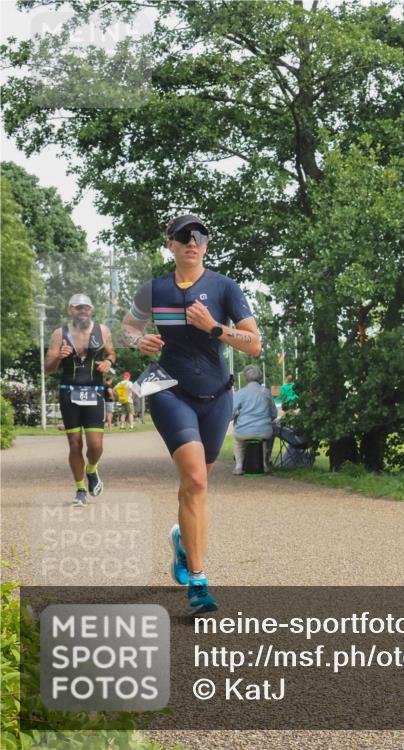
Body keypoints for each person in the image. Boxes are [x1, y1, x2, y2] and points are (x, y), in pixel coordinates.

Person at [121, 214, 260, 615]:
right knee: (195, 481)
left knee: (198, 485)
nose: (192, 241)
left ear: (206, 244)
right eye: (183, 235)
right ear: (170, 243)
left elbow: (253, 344)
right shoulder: (154, 289)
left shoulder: (224, 288)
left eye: (199, 235)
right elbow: (129, 327)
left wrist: (216, 328)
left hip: (216, 394)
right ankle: (198, 583)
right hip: (166, 386)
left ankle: (184, 540)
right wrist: (139, 340)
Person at [44, 293, 116, 506]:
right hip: (69, 392)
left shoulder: (102, 331)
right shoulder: (60, 334)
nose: (82, 311)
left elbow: (111, 354)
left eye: (86, 307)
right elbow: (48, 369)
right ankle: (80, 489)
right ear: (70, 310)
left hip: (94, 392)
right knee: (75, 444)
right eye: (78, 308)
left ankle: (91, 470)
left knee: (95, 445)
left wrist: (108, 363)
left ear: (91, 310)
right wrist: (59, 356)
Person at [232, 365, 278, 475]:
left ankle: (238, 466)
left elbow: (230, 412)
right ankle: (265, 464)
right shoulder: (266, 392)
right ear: (260, 377)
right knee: (265, 439)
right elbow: (274, 414)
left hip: (244, 431)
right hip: (264, 431)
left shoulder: (241, 393)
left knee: (238, 442)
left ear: (245, 378)